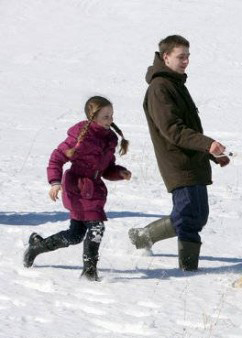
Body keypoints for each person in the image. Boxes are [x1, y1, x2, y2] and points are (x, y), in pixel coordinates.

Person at [128, 35, 230, 271]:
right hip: (178, 163)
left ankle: (144, 236)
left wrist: (211, 153)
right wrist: (207, 144)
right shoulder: (159, 88)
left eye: (187, 57)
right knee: (188, 218)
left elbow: (187, 129)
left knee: (197, 215)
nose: (185, 61)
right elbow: (173, 130)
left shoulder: (174, 83)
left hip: (192, 161)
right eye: (180, 56)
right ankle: (188, 271)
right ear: (166, 57)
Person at [23, 96, 132, 281]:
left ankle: (36, 247)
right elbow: (57, 158)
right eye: (106, 116)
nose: (110, 120)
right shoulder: (81, 135)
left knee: (74, 235)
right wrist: (55, 182)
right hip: (77, 189)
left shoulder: (110, 139)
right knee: (96, 227)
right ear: (93, 117)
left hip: (94, 190)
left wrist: (119, 172)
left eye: (112, 115)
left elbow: (107, 169)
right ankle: (89, 272)